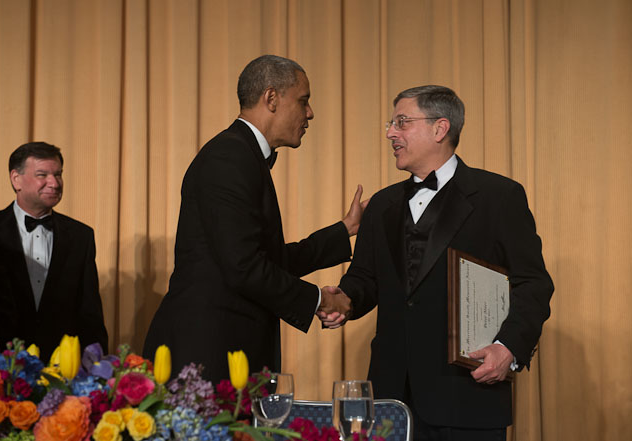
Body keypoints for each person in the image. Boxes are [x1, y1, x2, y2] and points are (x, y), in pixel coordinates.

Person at [323, 86, 553, 441]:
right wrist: (343, 300)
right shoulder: (382, 205)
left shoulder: (500, 197)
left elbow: (533, 284)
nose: (390, 133)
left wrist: (507, 348)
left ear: (439, 128)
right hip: (390, 400)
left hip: (467, 394)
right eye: (391, 123)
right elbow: (365, 279)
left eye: (402, 122)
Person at [143, 55, 364, 383]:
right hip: (206, 356)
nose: (310, 113)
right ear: (271, 98)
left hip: (226, 349)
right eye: (303, 101)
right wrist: (318, 299)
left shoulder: (240, 155)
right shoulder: (228, 158)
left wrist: (344, 230)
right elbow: (244, 267)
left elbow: (265, 261)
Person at [0, 142, 108, 361]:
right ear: (16, 179)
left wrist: (97, 367)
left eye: (58, 174)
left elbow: (89, 313)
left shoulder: (81, 236)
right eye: (42, 174)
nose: (54, 183)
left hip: (59, 369)